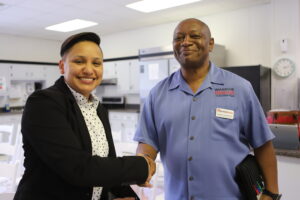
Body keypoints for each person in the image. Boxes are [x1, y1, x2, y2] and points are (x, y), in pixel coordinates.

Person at [134, 18, 281, 200]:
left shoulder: (240, 89)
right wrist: (143, 165)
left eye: (194, 36)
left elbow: (263, 145)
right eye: (179, 38)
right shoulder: (157, 94)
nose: (186, 42)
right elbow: (147, 143)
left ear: (210, 44)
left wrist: (271, 193)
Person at [14, 32, 155, 200]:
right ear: (62, 66)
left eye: (96, 63)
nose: (89, 70)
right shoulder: (43, 103)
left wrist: (128, 196)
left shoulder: (98, 108)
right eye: (79, 61)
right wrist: (141, 166)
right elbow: (78, 168)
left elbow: (105, 164)